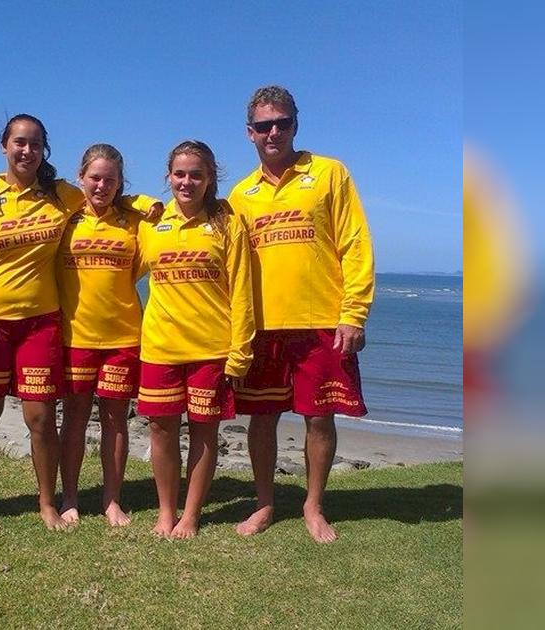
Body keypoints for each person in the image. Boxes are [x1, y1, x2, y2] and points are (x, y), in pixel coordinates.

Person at [0, 115, 158, 532]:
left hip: (42, 324)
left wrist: (143, 204)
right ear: (5, 145)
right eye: (19, 142)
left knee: (41, 419)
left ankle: (48, 502)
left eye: (35, 144)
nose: (26, 151)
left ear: (43, 151)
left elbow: (111, 197)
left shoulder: (59, 197)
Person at [227, 85, 375, 543]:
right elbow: (230, 266)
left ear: (295, 125)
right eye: (264, 125)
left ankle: (313, 506)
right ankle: (266, 503)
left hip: (322, 321)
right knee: (262, 418)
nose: (273, 132)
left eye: (282, 123)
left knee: (319, 416)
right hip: (263, 325)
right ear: (249, 133)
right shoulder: (240, 194)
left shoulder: (330, 173)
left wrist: (354, 312)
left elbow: (355, 244)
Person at [136, 140, 254, 539]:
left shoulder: (227, 223)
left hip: (212, 349)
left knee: (205, 432)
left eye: (196, 174)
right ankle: (166, 512)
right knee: (161, 430)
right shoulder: (150, 224)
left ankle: (191, 514)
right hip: (159, 345)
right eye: (180, 174)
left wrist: (241, 352)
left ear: (210, 179)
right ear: (168, 177)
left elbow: (242, 290)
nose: (187, 182)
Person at [56, 144, 153, 527]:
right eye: (95, 178)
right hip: (75, 335)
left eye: (110, 180)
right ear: (81, 177)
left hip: (122, 337)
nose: (101, 186)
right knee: (75, 419)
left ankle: (113, 500)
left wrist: (143, 202)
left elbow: (155, 249)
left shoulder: (133, 223)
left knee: (116, 420)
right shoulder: (65, 217)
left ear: (119, 184)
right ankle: (70, 497)